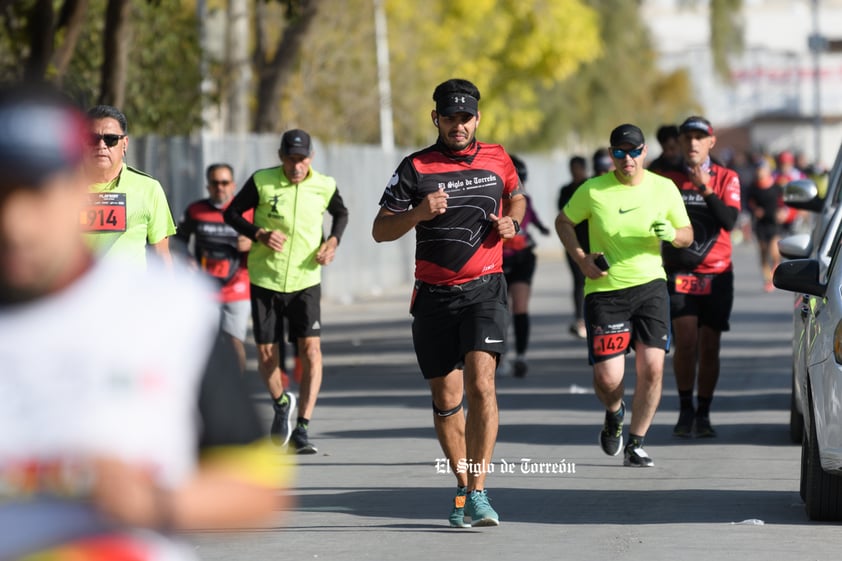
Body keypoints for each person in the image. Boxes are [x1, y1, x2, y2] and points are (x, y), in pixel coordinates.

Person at [0, 83, 283, 560]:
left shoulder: (172, 312)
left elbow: (257, 490)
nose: (17, 222)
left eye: (37, 192)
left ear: (75, 190)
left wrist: (153, 501)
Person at [372, 78, 525, 526]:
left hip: (485, 287)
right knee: (446, 399)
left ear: (478, 118)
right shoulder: (414, 167)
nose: (458, 125)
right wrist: (418, 213)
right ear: (435, 118)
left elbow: (515, 196)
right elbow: (380, 230)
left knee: (482, 384)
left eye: (466, 117)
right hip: (434, 297)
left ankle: (478, 491)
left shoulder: (498, 157)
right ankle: (462, 484)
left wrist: (512, 222)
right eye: (449, 117)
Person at [555, 123, 692, 467]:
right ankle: (615, 412)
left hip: (650, 287)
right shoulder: (593, 190)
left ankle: (637, 442)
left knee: (653, 368)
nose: (626, 159)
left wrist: (673, 233)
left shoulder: (664, 188)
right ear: (612, 155)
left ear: (644, 152)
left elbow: (688, 233)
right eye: (619, 152)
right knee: (608, 378)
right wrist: (582, 258)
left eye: (633, 152)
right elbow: (563, 222)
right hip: (605, 291)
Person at [224, 128, 349, 455]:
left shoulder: (324, 185)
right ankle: (281, 402)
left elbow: (341, 213)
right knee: (267, 356)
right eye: (291, 159)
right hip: (266, 277)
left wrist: (332, 241)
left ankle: (303, 428)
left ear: (311, 158)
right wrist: (259, 233)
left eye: (303, 159)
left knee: (311, 351)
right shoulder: (262, 181)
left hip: (306, 279)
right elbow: (232, 213)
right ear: (281, 157)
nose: (297, 166)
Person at [653, 116, 741, 438]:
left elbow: (729, 220)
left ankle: (704, 412)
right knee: (686, 342)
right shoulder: (665, 177)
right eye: (687, 137)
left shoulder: (726, 177)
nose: (692, 143)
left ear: (710, 142)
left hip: (717, 274)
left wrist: (704, 187)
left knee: (709, 346)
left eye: (699, 137)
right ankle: (685, 409)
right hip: (679, 273)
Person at [175, 163, 253, 372]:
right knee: (205, 343)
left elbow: (269, 242)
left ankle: (236, 391)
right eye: (215, 183)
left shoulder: (247, 212)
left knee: (233, 340)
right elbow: (178, 239)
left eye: (225, 182)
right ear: (207, 186)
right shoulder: (196, 210)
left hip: (237, 286)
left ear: (233, 185)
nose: (220, 187)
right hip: (205, 287)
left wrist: (253, 243)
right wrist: (187, 258)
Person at [82, 104, 176, 267]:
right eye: (92, 139)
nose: (101, 146)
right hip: (79, 291)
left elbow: (162, 256)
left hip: (131, 291)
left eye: (110, 139)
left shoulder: (149, 189)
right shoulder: (62, 188)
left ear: (124, 144)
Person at [503, 155, 551, 377]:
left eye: (521, 180)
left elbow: (533, 219)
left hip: (522, 258)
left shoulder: (525, 200)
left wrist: (541, 230)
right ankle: (499, 356)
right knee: (499, 310)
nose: (518, 185)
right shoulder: (492, 200)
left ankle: (520, 356)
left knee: (519, 307)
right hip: (496, 261)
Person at [557, 155, 590, 339]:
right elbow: (563, 213)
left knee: (593, 280)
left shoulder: (591, 186)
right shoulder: (566, 190)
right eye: (572, 168)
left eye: (577, 168)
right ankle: (580, 319)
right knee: (578, 280)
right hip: (573, 242)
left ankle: (593, 316)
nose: (574, 172)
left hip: (592, 242)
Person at [747, 160, 783, 292]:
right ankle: (768, 279)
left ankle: (774, 272)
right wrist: (755, 210)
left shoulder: (776, 186)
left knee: (774, 252)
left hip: (773, 222)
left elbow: (783, 202)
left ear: (768, 171)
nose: (759, 173)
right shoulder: (753, 187)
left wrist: (782, 212)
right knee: (763, 252)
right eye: (757, 170)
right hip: (760, 224)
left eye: (761, 170)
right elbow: (747, 204)